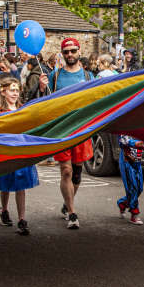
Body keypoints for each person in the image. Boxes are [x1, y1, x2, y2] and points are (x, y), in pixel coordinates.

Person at [49, 38, 95, 229]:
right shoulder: (55, 75)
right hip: (63, 130)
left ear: (79, 51)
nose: (69, 55)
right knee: (65, 170)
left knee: (76, 174)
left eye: (73, 51)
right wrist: (42, 88)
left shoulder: (88, 75)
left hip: (81, 130)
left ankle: (67, 202)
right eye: (66, 52)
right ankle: (72, 213)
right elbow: (46, 102)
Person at [0, 76, 38, 235]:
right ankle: (4, 210)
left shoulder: (22, 109)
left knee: (21, 187)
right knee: (5, 184)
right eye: (12, 90)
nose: (15, 93)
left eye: (17, 90)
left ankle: (22, 219)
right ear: (3, 91)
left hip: (20, 151)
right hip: (6, 151)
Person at [116, 133, 144, 225]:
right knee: (133, 188)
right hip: (127, 162)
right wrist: (137, 143)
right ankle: (134, 213)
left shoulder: (142, 125)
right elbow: (122, 141)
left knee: (139, 189)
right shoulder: (124, 123)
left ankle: (122, 203)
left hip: (137, 162)